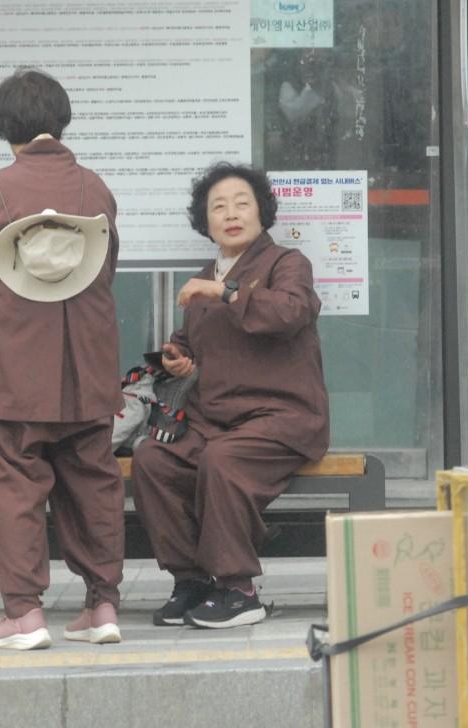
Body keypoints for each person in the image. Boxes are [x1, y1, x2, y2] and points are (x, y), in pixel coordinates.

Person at [0, 68, 125, 651]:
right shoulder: (95, 189)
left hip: (13, 368)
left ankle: (24, 613)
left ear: (5, 127)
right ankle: (102, 606)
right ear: (63, 118)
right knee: (95, 482)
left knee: (18, 486)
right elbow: (106, 268)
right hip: (87, 367)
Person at [132, 162, 329, 629]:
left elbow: (290, 312)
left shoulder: (287, 263)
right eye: (218, 206)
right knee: (153, 460)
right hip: (216, 418)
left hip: (282, 416)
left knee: (222, 460)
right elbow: (190, 342)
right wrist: (177, 357)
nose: (231, 213)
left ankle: (239, 589)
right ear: (206, 221)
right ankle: (192, 580)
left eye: (242, 202)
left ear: (262, 211)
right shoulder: (208, 274)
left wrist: (224, 293)